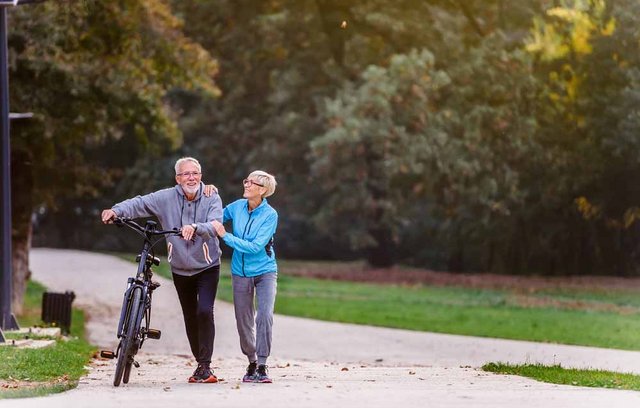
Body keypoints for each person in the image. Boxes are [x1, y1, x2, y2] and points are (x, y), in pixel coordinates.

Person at [101, 157, 223, 384]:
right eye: (186, 174)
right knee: (189, 314)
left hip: (207, 266)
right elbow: (139, 203)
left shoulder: (211, 196)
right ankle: (201, 363)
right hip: (179, 268)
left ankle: (205, 366)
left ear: (201, 175)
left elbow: (216, 225)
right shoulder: (166, 197)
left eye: (195, 173)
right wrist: (115, 210)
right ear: (177, 179)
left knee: (204, 311)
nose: (191, 178)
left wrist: (195, 227)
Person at [209, 170, 278, 383]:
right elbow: (214, 216)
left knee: (264, 315)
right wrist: (208, 194)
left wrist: (225, 236)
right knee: (243, 320)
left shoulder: (270, 215)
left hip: (265, 271)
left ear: (263, 189)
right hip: (240, 273)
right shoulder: (237, 206)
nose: (246, 184)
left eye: (252, 182)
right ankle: (252, 361)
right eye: (246, 181)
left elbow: (256, 247)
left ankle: (263, 365)